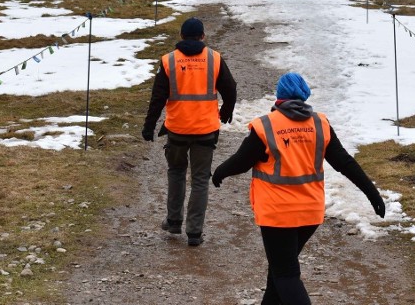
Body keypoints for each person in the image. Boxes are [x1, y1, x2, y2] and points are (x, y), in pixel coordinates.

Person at [212, 72, 386, 305]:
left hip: (278, 214)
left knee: (285, 274)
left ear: (279, 96)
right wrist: (371, 193)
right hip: (310, 213)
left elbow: (241, 162)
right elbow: (345, 163)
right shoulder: (319, 124)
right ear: (305, 95)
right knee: (279, 271)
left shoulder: (266, 126)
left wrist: (220, 171)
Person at [142, 17, 237, 247]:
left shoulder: (169, 61)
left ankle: (174, 221)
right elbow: (231, 88)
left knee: (176, 172)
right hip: (206, 130)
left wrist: (149, 126)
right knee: (200, 180)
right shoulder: (214, 58)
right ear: (203, 36)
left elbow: (157, 99)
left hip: (177, 129)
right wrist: (226, 111)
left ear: (181, 36)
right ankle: (194, 233)